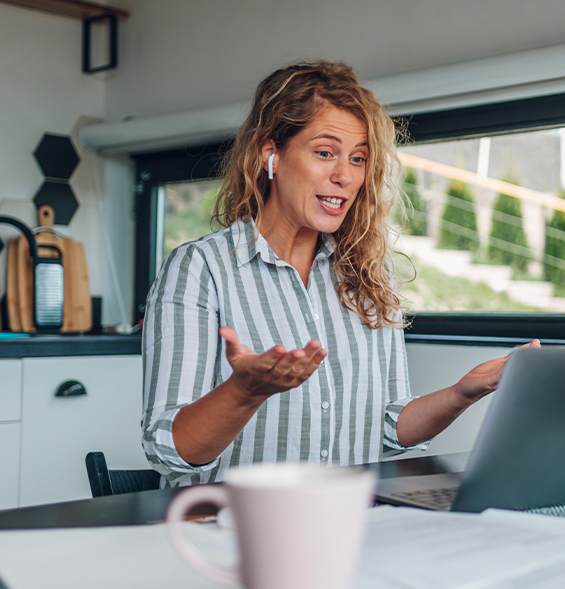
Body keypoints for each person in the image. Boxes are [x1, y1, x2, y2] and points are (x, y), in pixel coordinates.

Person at [142, 60, 537, 486]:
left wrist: (463, 393)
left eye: (359, 158)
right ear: (270, 154)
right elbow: (170, 450)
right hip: (231, 533)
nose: (344, 176)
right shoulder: (200, 269)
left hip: (344, 527)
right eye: (325, 152)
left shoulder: (368, 275)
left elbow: (386, 429)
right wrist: (245, 391)